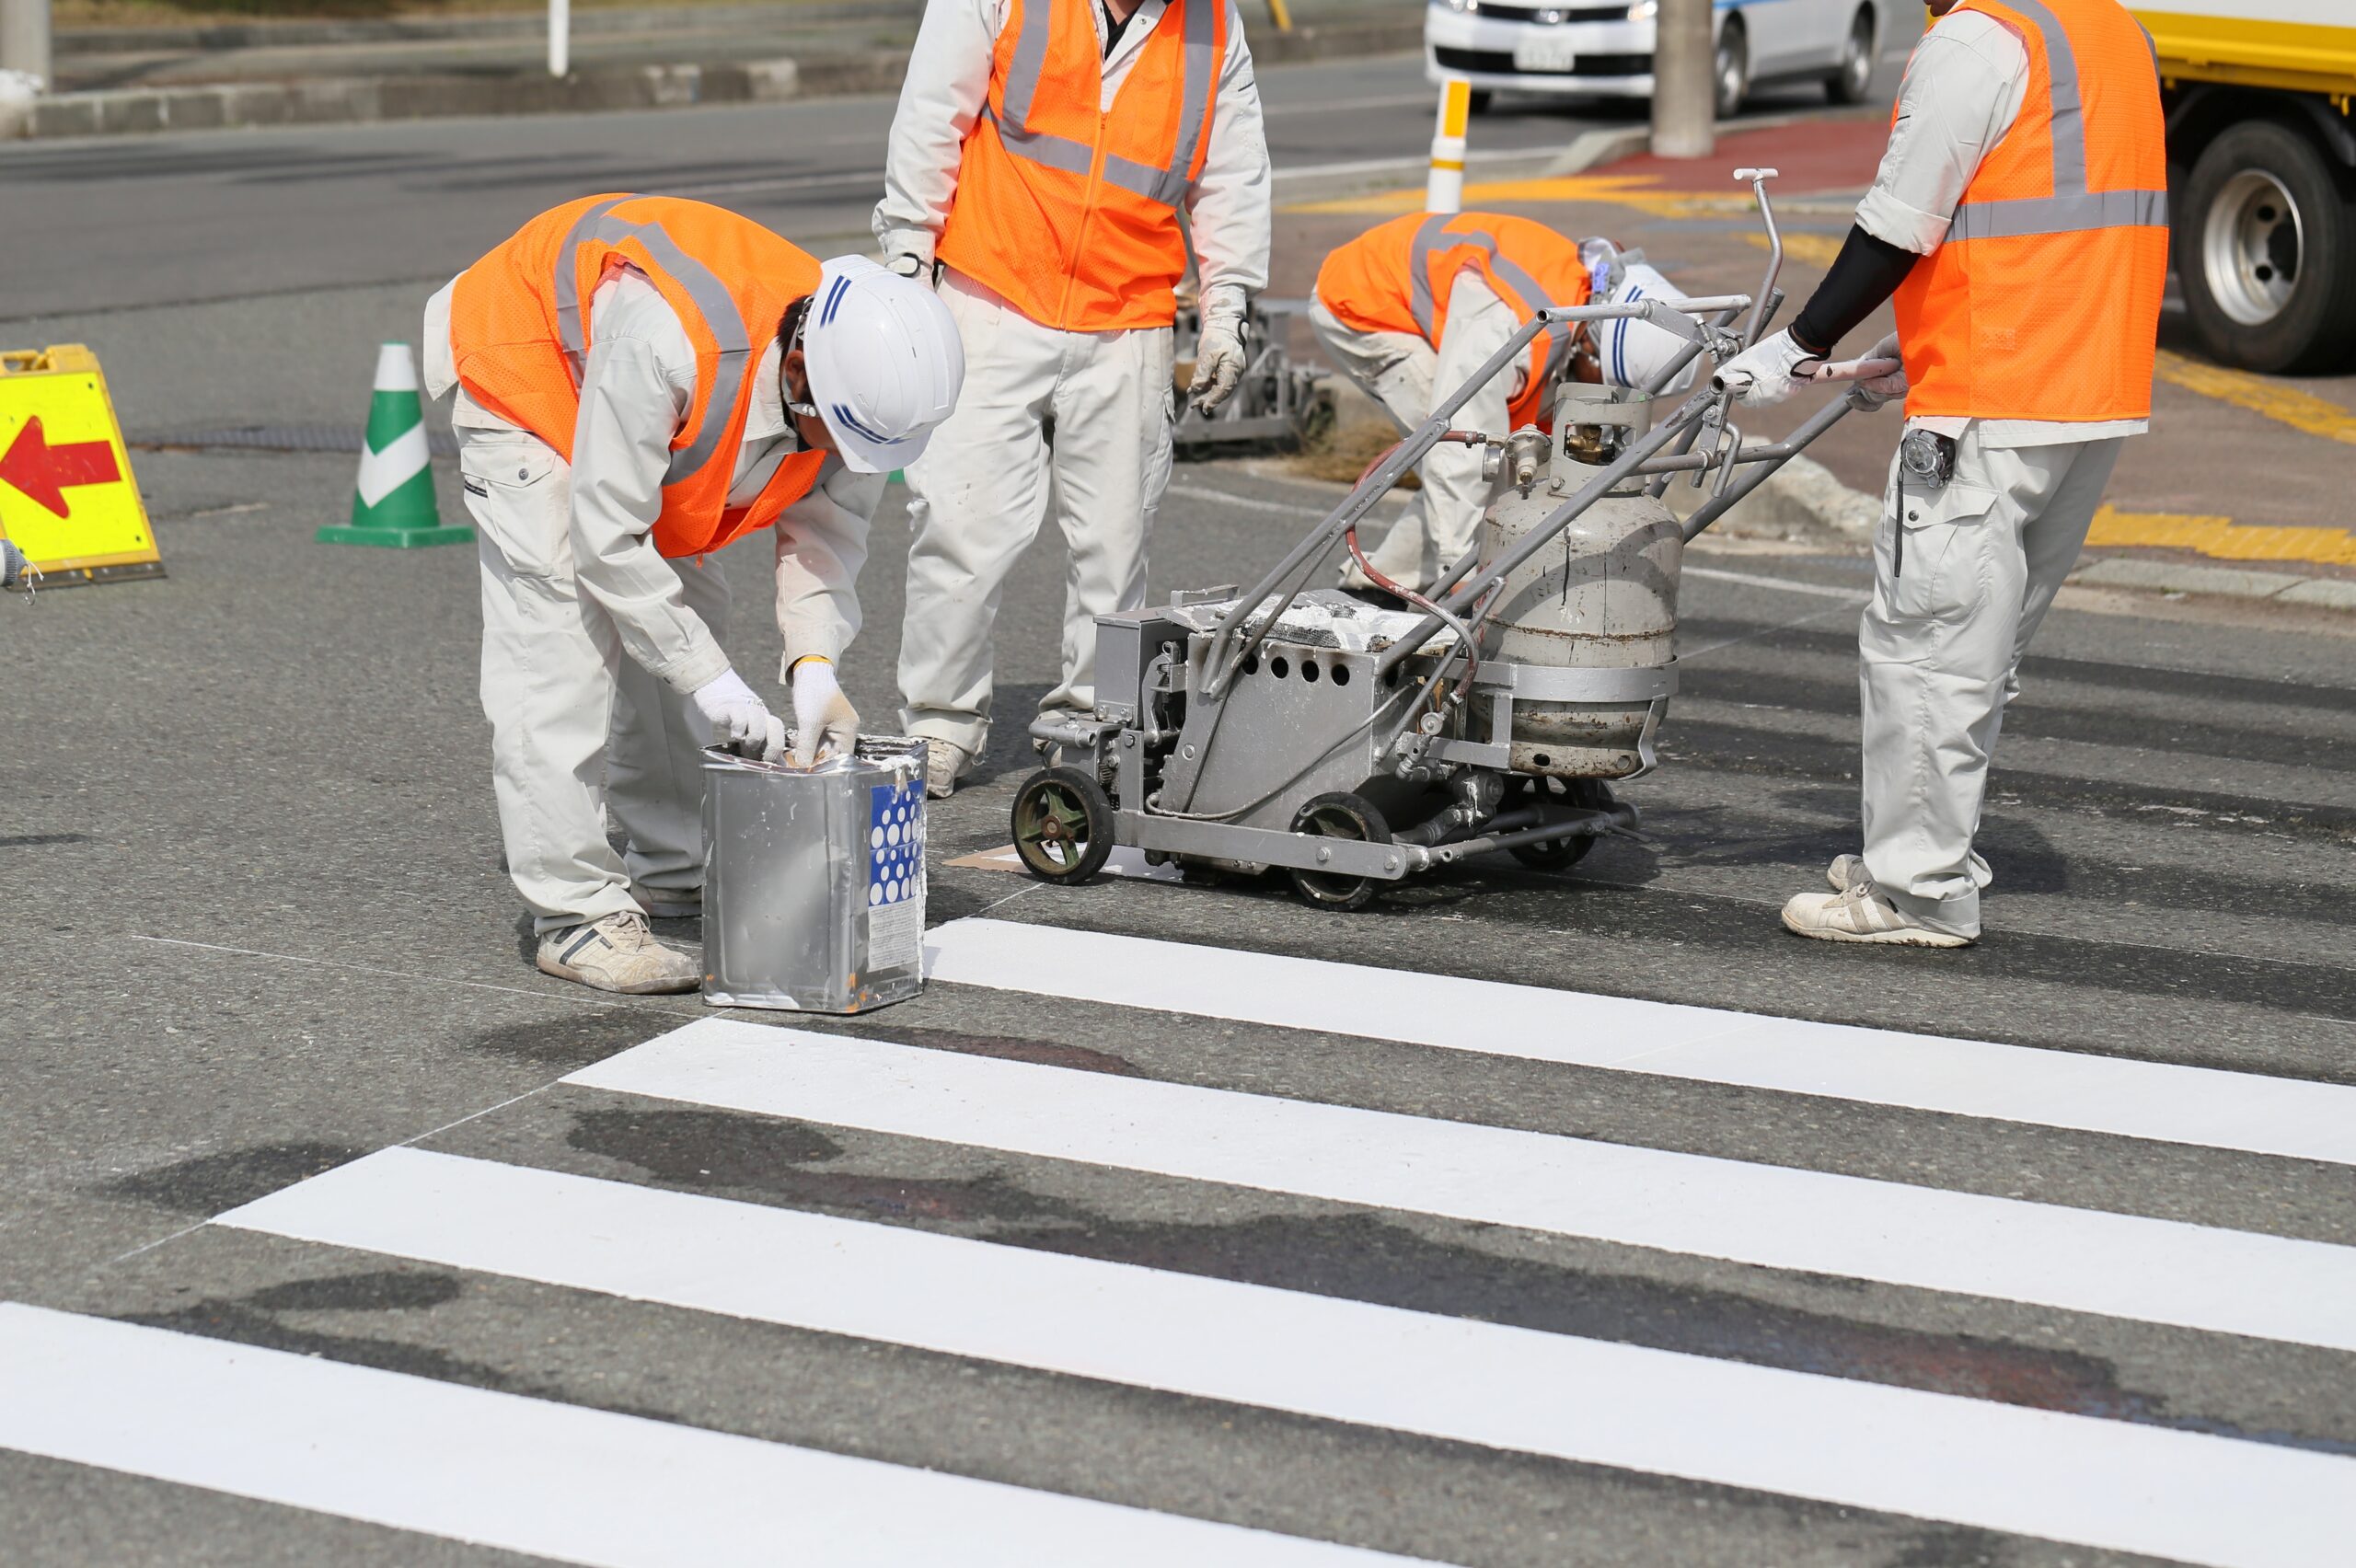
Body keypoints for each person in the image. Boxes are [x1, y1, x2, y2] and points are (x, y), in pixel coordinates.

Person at [423, 194, 964, 993]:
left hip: (641, 417)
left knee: (686, 623)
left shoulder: (862, 385)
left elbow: (827, 533)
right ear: (797, 372)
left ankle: (671, 866)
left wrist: (813, 663)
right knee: (562, 650)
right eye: (831, 439)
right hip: (530, 372)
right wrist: (710, 678)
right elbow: (606, 538)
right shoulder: (670, 341)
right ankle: (574, 917)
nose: (837, 458)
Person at [1715, 0, 2166, 947]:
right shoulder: (2107, 31)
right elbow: (2049, 226)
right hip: (2085, 394)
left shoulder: (1975, 41)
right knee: (1979, 651)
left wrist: (1795, 344)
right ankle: (1935, 850)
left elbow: (1898, 222)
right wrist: (1918, 342)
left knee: (1926, 651)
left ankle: (1914, 892)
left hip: (1992, 403)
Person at [874, 0, 1273, 797]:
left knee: (1115, 546)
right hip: (990, 297)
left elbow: (1233, 175)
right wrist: (910, 263)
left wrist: (1226, 309)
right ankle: (940, 725)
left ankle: (1092, 729)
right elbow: (931, 115)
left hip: (1128, 318)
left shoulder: (1214, 28)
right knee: (960, 527)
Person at [1312, 213, 1700, 594]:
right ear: (1591, 350)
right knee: (1487, 461)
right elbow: (1456, 443)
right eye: (1604, 383)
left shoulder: (1580, 302)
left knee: (1508, 467)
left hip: (1418, 299)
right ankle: (1427, 587)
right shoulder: (1512, 326)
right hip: (1364, 305)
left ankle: (1379, 586)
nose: (1599, 395)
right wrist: (1458, 577)